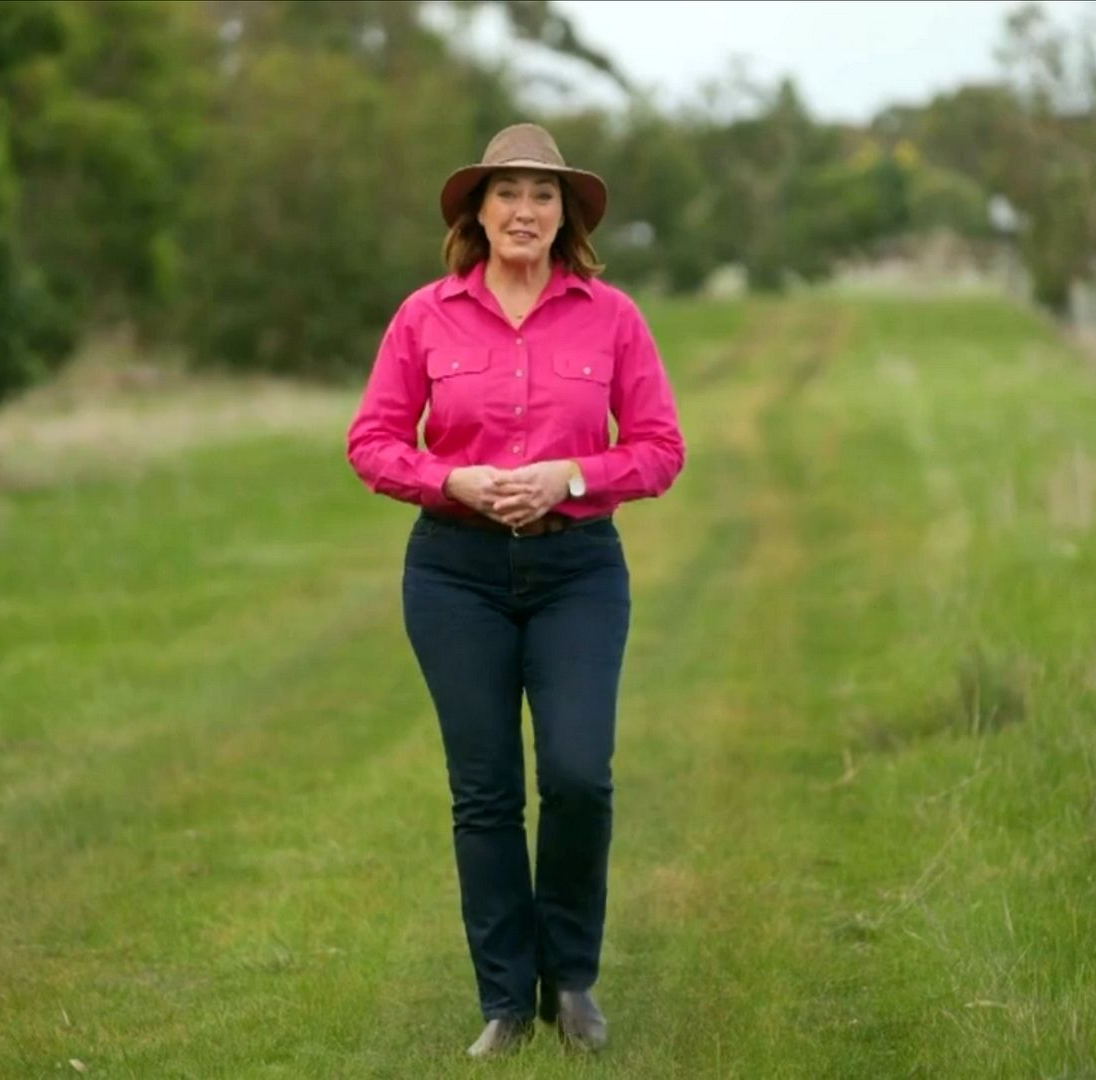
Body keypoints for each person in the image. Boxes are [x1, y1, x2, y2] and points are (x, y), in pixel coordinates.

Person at [345, 122, 687, 1059]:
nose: (525, 210)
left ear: (566, 215)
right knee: (485, 790)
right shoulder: (425, 316)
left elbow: (660, 448)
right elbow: (372, 441)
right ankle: (504, 1000)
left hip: (578, 572)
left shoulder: (612, 317)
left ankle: (570, 980)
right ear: (478, 210)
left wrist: (571, 476)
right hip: (455, 575)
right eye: (508, 193)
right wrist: (448, 479)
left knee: (578, 774)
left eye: (543, 194)